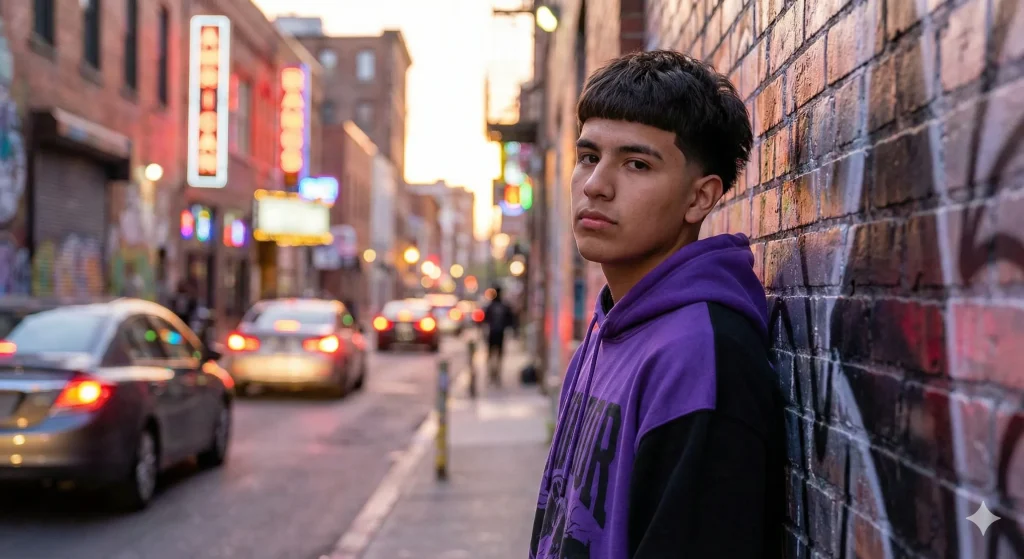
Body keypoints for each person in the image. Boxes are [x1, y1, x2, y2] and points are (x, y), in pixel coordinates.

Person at [530, 51, 784, 558]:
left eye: (637, 163)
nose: (596, 185)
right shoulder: (608, 329)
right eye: (588, 156)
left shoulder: (701, 356)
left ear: (699, 198)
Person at [482, 286, 516, 385]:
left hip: (494, 333)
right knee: (497, 355)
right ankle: (494, 374)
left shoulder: (492, 306)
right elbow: (510, 320)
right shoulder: (503, 306)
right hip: (498, 333)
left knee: (493, 354)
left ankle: (493, 374)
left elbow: (485, 320)